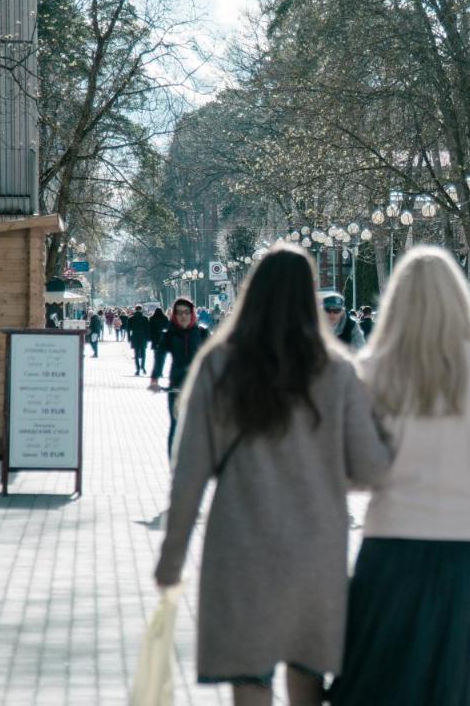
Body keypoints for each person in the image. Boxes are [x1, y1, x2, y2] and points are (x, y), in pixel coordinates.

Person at [154, 243, 390, 706]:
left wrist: (171, 559)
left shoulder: (219, 365)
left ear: (252, 293)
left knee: (250, 676)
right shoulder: (337, 371)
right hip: (316, 549)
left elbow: (189, 474)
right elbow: (371, 469)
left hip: (240, 547)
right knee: (307, 674)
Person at [329, 246, 470, 706]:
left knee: (379, 680)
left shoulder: (371, 370)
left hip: (392, 540)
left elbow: (352, 468)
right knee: (453, 680)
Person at [148, 297, 211, 457]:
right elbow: (160, 355)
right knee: (176, 426)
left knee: (199, 427)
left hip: (198, 385)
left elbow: (212, 358)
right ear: (174, 315)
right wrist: (155, 379)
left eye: (186, 312)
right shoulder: (169, 334)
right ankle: (174, 464)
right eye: (179, 313)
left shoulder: (202, 333)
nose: (183, 316)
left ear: (192, 314)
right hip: (176, 384)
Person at [126, 305, 151, 375]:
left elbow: (128, 329)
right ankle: (143, 367)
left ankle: (137, 369)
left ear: (135, 309)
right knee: (143, 353)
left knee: (136, 353)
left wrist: (129, 338)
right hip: (143, 337)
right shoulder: (145, 318)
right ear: (141, 310)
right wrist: (148, 338)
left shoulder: (131, 318)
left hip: (135, 337)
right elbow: (148, 329)